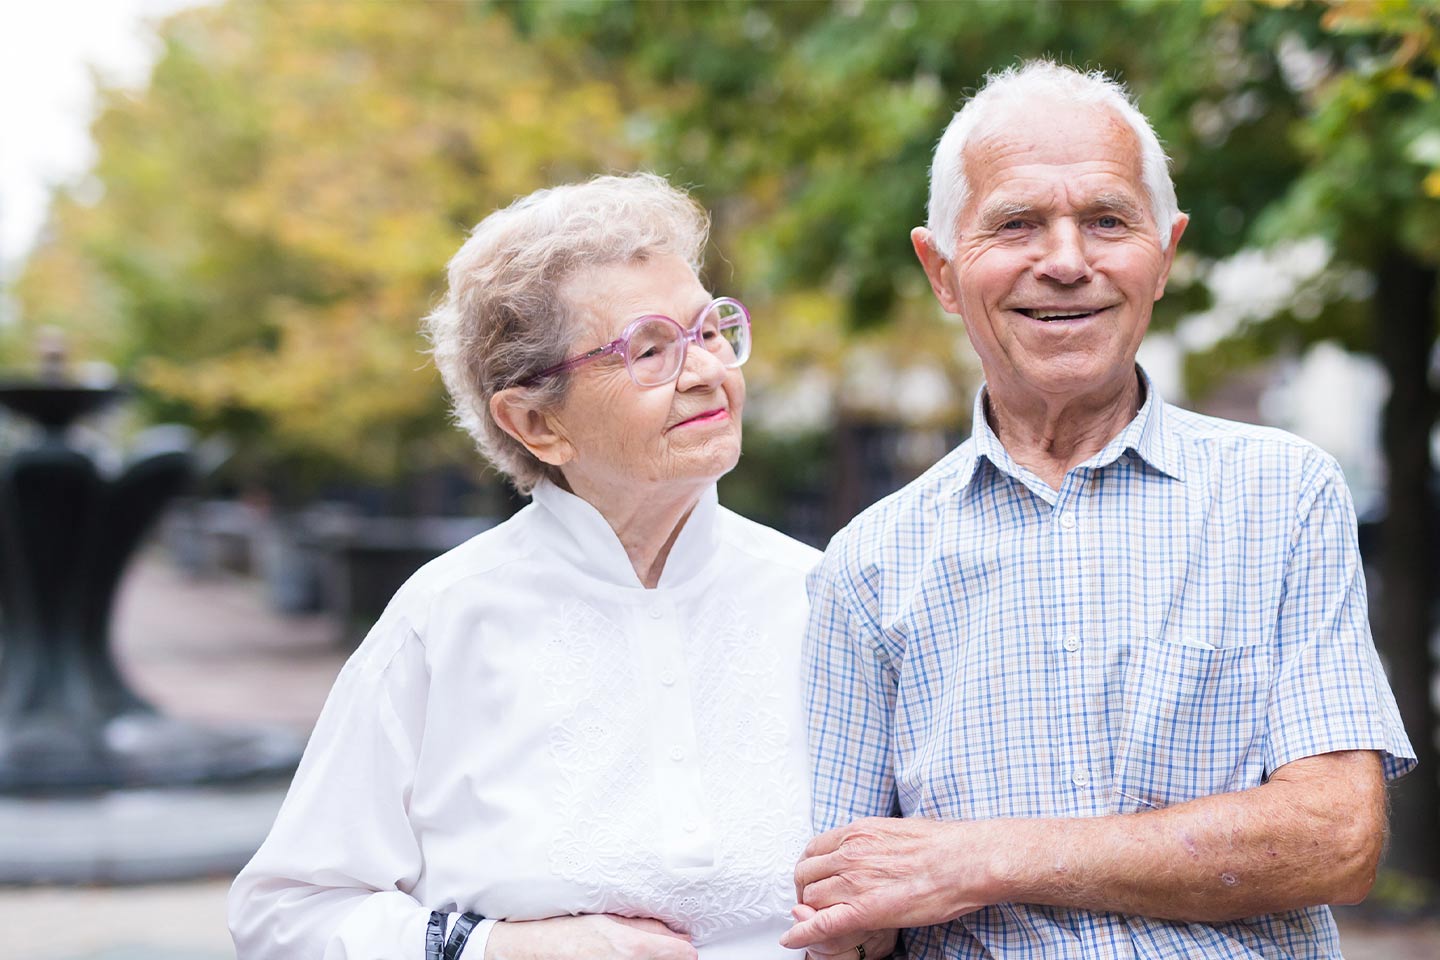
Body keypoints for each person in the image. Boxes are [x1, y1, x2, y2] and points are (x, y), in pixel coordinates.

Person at [781, 61, 1416, 959]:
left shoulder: (1283, 495)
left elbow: (1336, 840)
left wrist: (986, 859)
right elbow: (846, 906)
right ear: (941, 270)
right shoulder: (869, 564)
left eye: (1109, 221)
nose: (1067, 262)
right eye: (1016, 224)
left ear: (1166, 254)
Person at [228, 173, 888, 960]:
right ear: (537, 423)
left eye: (710, 331)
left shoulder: (823, 594)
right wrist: (499, 950)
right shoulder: (447, 618)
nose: (706, 370)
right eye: (650, 349)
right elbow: (285, 916)